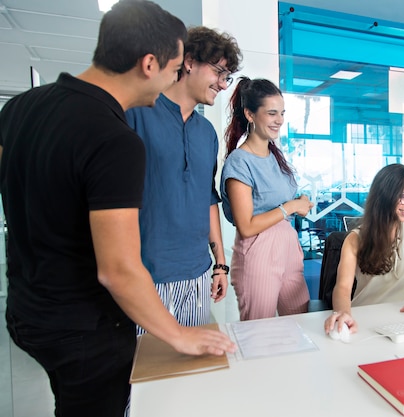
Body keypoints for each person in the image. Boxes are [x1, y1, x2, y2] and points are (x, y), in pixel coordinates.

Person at [0, 2, 235, 416]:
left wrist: (218, 261)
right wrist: (178, 336)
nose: (176, 76)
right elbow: (117, 269)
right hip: (90, 321)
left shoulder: (19, 108)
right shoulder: (117, 132)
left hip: (30, 311)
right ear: (150, 64)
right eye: (175, 66)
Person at [126, 27, 242, 334]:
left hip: (198, 273)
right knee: (147, 372)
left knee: (190, 371)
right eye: (219, 72)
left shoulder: (206, 133)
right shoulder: (137, 115)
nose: (222, 83)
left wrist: (219, 262)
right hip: (148, 274)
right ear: (189, 61)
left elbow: (207, 198)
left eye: (227, 76)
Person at [220, 77, 313, 321]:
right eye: (272, 113)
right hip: (259, 250)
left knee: (299, 327)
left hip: (288, 247)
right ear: (250, 114)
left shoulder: (275, 156)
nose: (279, 120)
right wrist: (291, 206)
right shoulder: (239, 162)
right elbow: (247, 225)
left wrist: (299, 201)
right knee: (258, 334)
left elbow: (277, 200)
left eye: (281, 113)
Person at [324, 164, 404, 336]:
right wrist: (343, 312)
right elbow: (342, 288)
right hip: (367, 321)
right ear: (385, 197)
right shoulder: (355, 239)